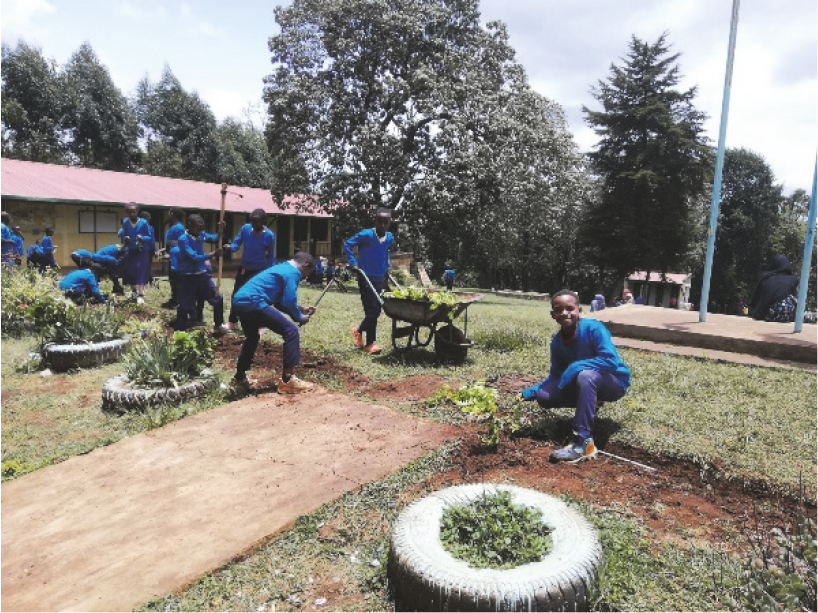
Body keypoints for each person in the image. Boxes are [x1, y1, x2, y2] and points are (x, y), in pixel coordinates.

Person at [518, 289, 631, 464]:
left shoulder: (594, 328)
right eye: (558, 309)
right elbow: (556, 376)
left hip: (614, 382)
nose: (564, 313)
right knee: (545, 396)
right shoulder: (557, 342)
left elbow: (611, 362)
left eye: (570, 308)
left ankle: (582, 442)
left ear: (579, 310)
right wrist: (533, 391)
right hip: (586, 381)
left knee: (586, 376)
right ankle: (591, 400)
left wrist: (577, 366)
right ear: (552, 314)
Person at [230, 251, 316, 394]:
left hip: (240, 301)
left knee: (252, 337)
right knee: (291, 332)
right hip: (254, 301)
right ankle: (288, 381)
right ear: (305, 265)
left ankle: (240, 378)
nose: (305, 277)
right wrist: (299, 317)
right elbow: (289, 302)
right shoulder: (293, 272)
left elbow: (279, 303)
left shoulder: (282, 267)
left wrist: (301, 309)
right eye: (308, 273)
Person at [344, 207, 394, 354]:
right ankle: (370, 344)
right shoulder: (366, 234)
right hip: (365, 276)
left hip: (379, 277)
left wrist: (387, 266)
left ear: (390, 222)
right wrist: (353, 263)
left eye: (386, 222)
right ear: (375, 221)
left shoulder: (389, 237)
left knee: (377, 310)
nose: (383, 226)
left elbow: (386, 252)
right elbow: (348, 244)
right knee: (372, 311)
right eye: (380, 222)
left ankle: (358, 331)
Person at [223, 208, 276, 328]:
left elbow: (271, 256)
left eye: (256, 222)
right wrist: (230, 247)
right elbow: (237, 244)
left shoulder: (269, 236)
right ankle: (233, 321)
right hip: (244, 268)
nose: (253, 224)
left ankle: (259, 324)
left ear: (264, 221)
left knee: (256, 298)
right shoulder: (245, 229)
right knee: (236, 295)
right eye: (252, 221)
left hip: (258, 271)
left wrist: (271, 273)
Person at [174, 214, 226, 332]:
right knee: (184, 305)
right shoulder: (183, 240)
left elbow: (215, 238)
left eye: (202, 229)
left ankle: (218, 324)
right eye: (198, 229)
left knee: (218, 298)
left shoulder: (201, 235)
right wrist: (212, 254)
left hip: (202, 275)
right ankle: (180, 330)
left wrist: (220, 230)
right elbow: (194, 257)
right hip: (187, 277)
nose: (200, 231)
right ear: (190, 226)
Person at [749, 254, 799, 322]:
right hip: (788, 315)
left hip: (768, 313)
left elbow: (758, 298)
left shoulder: (766, 277)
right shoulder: (793, 280)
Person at [118, 202, 152, 303]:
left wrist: (142, 238)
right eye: (129, 212)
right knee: (131, 270)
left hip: (142, 250)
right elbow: (123, 236)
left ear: (137, 211)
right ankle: (133, 290)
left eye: (134, 212)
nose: (132, 214)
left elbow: (150, 237)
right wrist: (125, 239)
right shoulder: (125, 223)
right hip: (131, 249)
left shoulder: (144, 223)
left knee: (141, 270)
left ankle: (141, 294)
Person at [162, 207, 186, 309]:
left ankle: (178, 301)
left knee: (176, 279)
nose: (168, 215)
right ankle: (174, 298)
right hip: (172, 256)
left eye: (169, 213)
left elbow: (181, 243)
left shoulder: (179, 228)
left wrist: (171, 254)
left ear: (172, 214)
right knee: (172, 279)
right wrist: (165, 249)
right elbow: (172, 242)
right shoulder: (173, 227)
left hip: (177, 258)